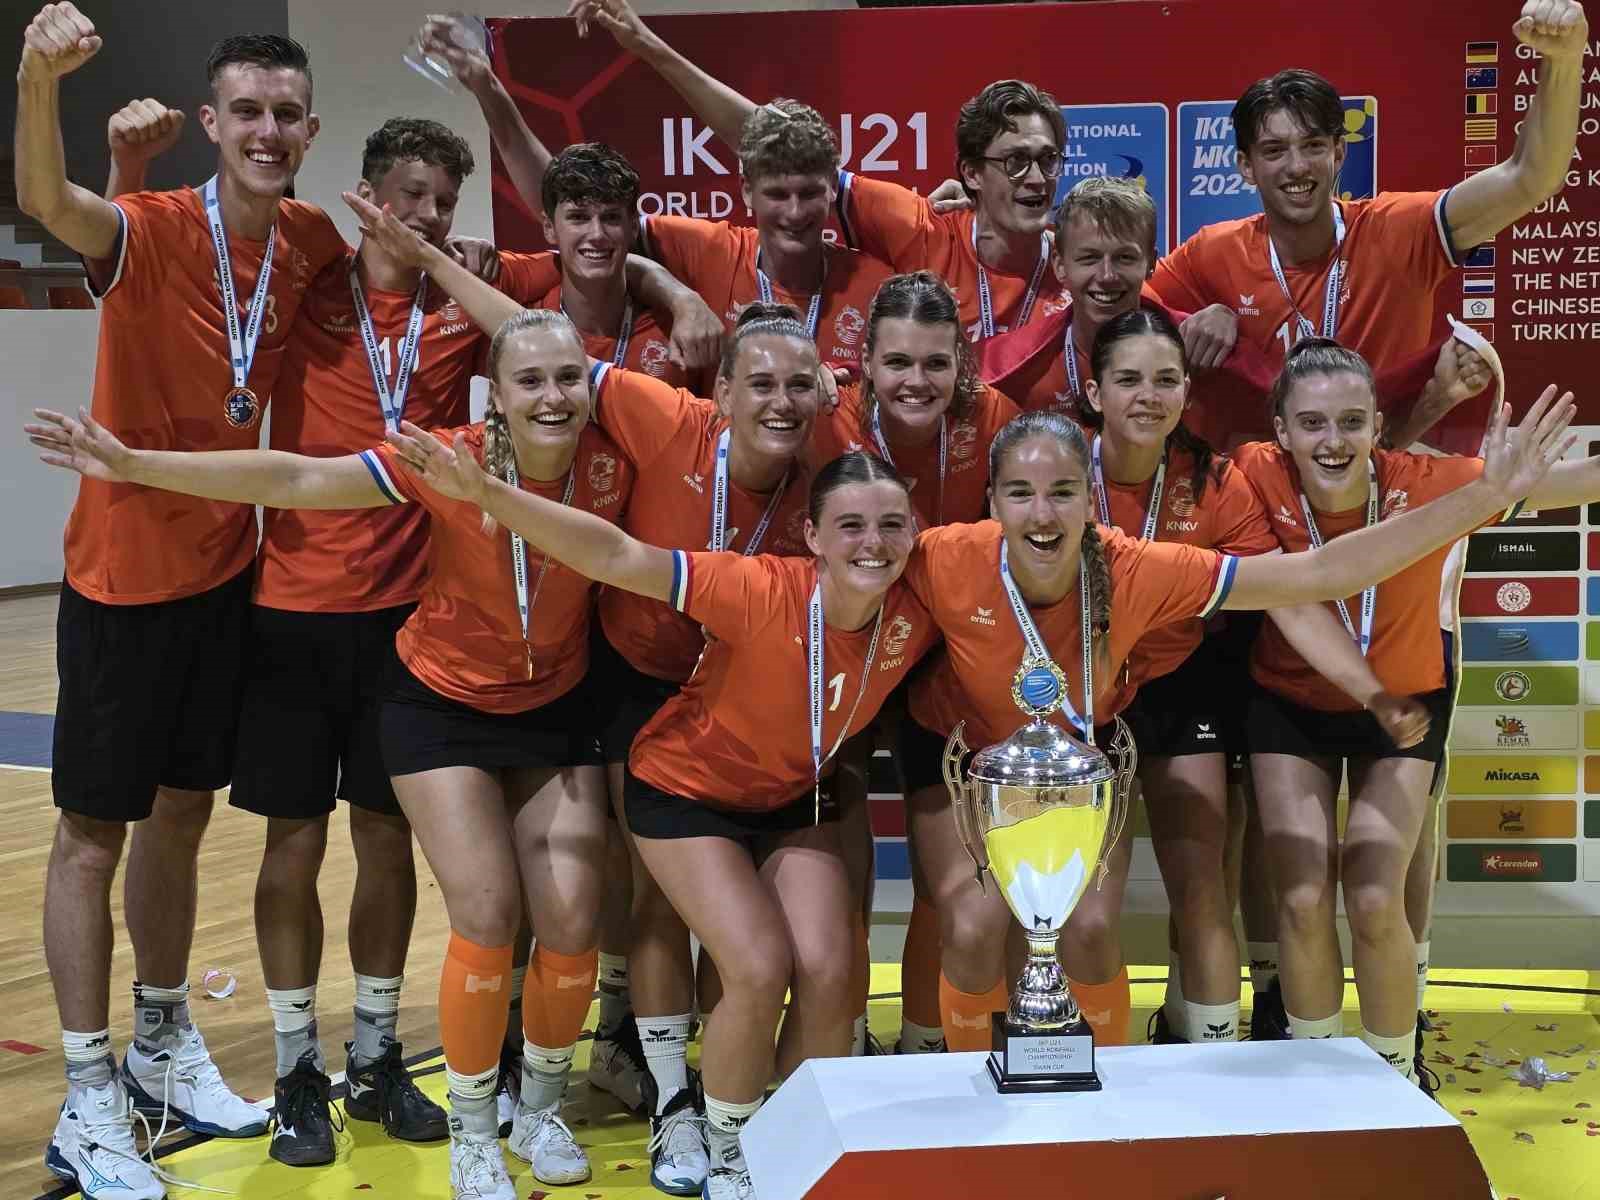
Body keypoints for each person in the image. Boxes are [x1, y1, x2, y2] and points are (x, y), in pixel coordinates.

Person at [336, 368, 1571, 1194]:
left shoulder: (1130, 563)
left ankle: (1068, 1114)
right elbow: (617, 551)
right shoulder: (922, 557)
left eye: (1063, 492)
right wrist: (493, 496)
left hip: (1047, 768)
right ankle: (753, 1124)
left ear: (1090, 501)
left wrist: (1482, 497)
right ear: (987, 504)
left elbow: (1318, 574)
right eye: (1019, 491)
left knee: (1033, 938)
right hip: (907, 764)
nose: (1041, 512)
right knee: (920, 935)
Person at [31, 309, 640, 1199]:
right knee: (480, 906)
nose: (552, 396)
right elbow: (297, 476)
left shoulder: (618, 465)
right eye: (530, 379)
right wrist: (134, 464)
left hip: (552, 706)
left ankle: (533, 1106)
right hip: (436, 700)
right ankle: (468, 1129)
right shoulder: (449, 457)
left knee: (573, 917)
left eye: (568, 378)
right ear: (497, 396)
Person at [16, 10, 348, 1195]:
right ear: (212, 123)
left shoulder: (311, 240)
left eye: (284, 114)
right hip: (120, 580)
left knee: (181, 816)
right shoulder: (153, 226)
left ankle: (161, 1041)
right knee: (88, 838)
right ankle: (87, 1093)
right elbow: (47, 203)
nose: (266, 130)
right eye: (245, 111)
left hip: (227, 576)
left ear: (309, 130)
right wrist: (38, 79)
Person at [1231, 338, 1600, 1087]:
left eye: (1351, 421)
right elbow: (1284, 600)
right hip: (1289, 702)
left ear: (1378, 426)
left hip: (1404, 709)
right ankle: (1315, 1078)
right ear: (1281, 430)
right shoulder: (1251, 475)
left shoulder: (1429, 481)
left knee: (1374, 895)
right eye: (1312, 423)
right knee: (1300, 896)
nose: (1332, 441)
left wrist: (1521, 478)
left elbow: (1574, 482)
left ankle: (1395, 1080)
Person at [1074, 308, 1427, 1048]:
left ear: (1187, 390)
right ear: (1094, 389)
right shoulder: (1056, 465)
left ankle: (1207, 1056)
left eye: (1166, 379)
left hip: (1180, 686)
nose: (1148, 395)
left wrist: (1371, 692)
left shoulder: (1219, 482)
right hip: (1075, 693)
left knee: (1204, 886)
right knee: (1084, 910)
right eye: (1129, 379)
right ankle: (1082, 1061)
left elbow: (1289, 597)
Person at [807, 269, 1020, 1053]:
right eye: (897, 362)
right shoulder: (825, 418)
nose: (916, 381)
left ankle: (926, 1043)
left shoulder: (996, 422)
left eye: (936, 363)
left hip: (942, 669)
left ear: (963, 364)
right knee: (841, 863)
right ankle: (845, 1033)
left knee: (946, 876)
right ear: (865, 361)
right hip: (846, 653)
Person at [543, 2, 896, 371]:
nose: (794, 212)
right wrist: (682, 297)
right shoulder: (711, 253)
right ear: (746, 191)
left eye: (808, 193)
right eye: (777, 194)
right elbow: (587, 229)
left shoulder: (876, 285)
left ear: (833, 189)